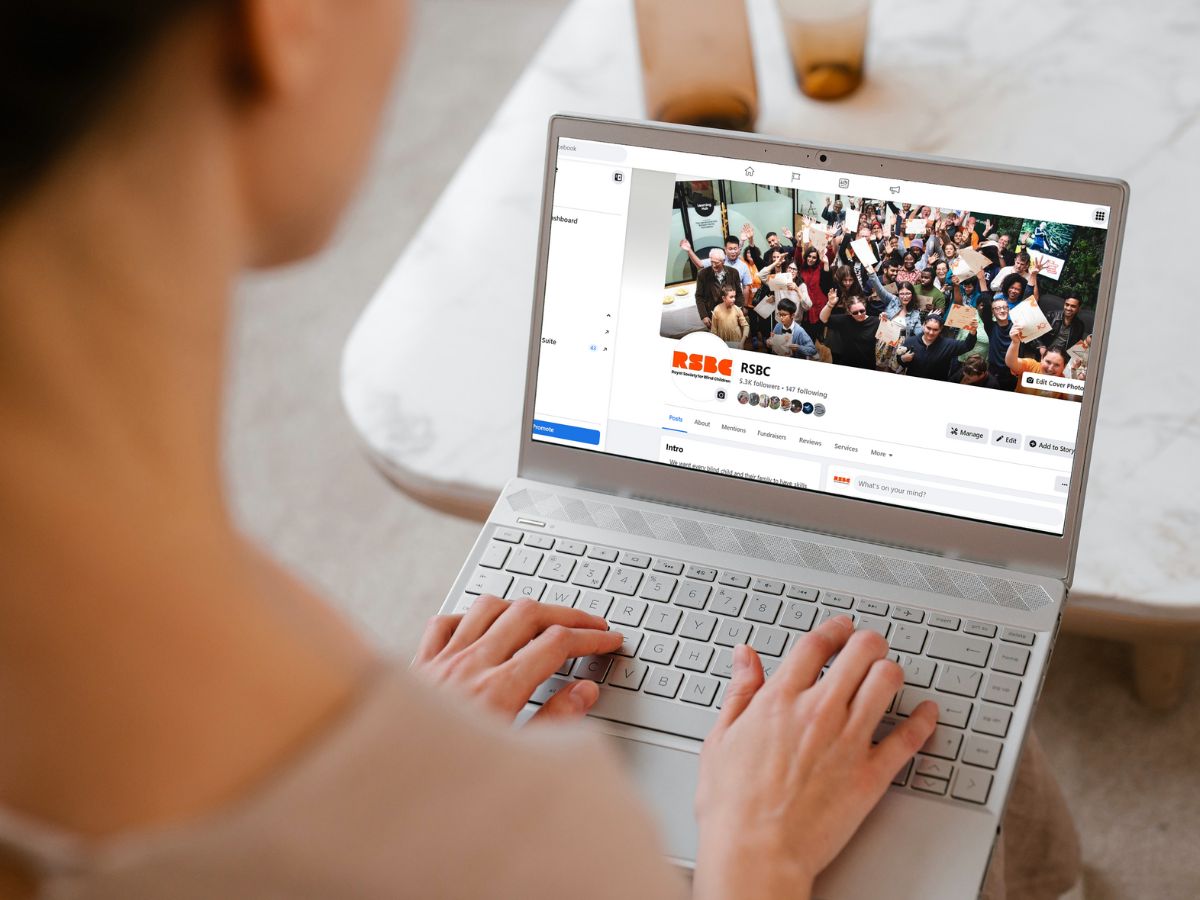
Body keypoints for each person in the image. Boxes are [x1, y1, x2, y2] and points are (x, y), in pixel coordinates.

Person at [819, 289, 900, 370]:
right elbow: (823, 319)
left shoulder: (875, 321)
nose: (859, 314)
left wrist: (886, 321)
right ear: (849, 312)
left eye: (862, 311)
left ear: (865, 307)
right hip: (847, 362)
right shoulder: (844, 320)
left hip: (868, 364)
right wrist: (830, 304)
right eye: (855, 312)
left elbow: (893, 338)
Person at [898, 314, 978, 380]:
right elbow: (899, 359)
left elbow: (967, 345)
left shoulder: (948, 344)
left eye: (935, 330)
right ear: (923, 325)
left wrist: (972, 332)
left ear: (940, 329)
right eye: (928, 328)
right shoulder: (911, 341)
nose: (931, 332)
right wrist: (903, 359)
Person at [1006, 329, 1078, 400]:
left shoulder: (1062, 380)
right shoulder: (1031, 366)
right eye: (1048, 362)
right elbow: (1011, 363)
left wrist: (1074, 372)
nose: (1050, 368)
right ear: (1042, 359)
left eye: (1057, 365)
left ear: (1064, 367)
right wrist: (1015, 342)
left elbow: (1072, 399)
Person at [694, 248, 741, 327]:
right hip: (713, 315)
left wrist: (739, 310)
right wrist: (704, 316)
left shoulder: (733, 272)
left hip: (731, 313)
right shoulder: (702, 274)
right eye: (711, 262)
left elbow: (739, 293)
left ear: (723, 261)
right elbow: (699, 296)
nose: (713, 265)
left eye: (716, 263)